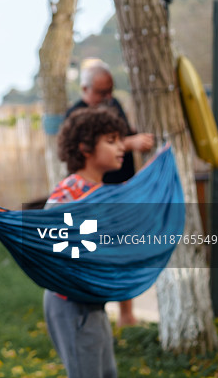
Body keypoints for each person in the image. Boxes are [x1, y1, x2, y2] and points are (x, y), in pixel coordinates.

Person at [67, 59, 154, 325]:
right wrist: (129, 143)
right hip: (99, 196)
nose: (107, 98)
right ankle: (94, 306)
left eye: (110, 92)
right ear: (85, 89)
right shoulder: (77, 117)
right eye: (101, 93)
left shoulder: (112, 105)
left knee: (123, 249)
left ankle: (124, 312)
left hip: (122, 190)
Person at [43, 106, 129, 378]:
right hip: (71, 303)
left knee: (107, 373)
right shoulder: (69, 193)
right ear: (85, 147)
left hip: (94, 304)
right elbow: (54, 247)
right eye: (111, 140)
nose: (121, 147)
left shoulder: (101, 192)